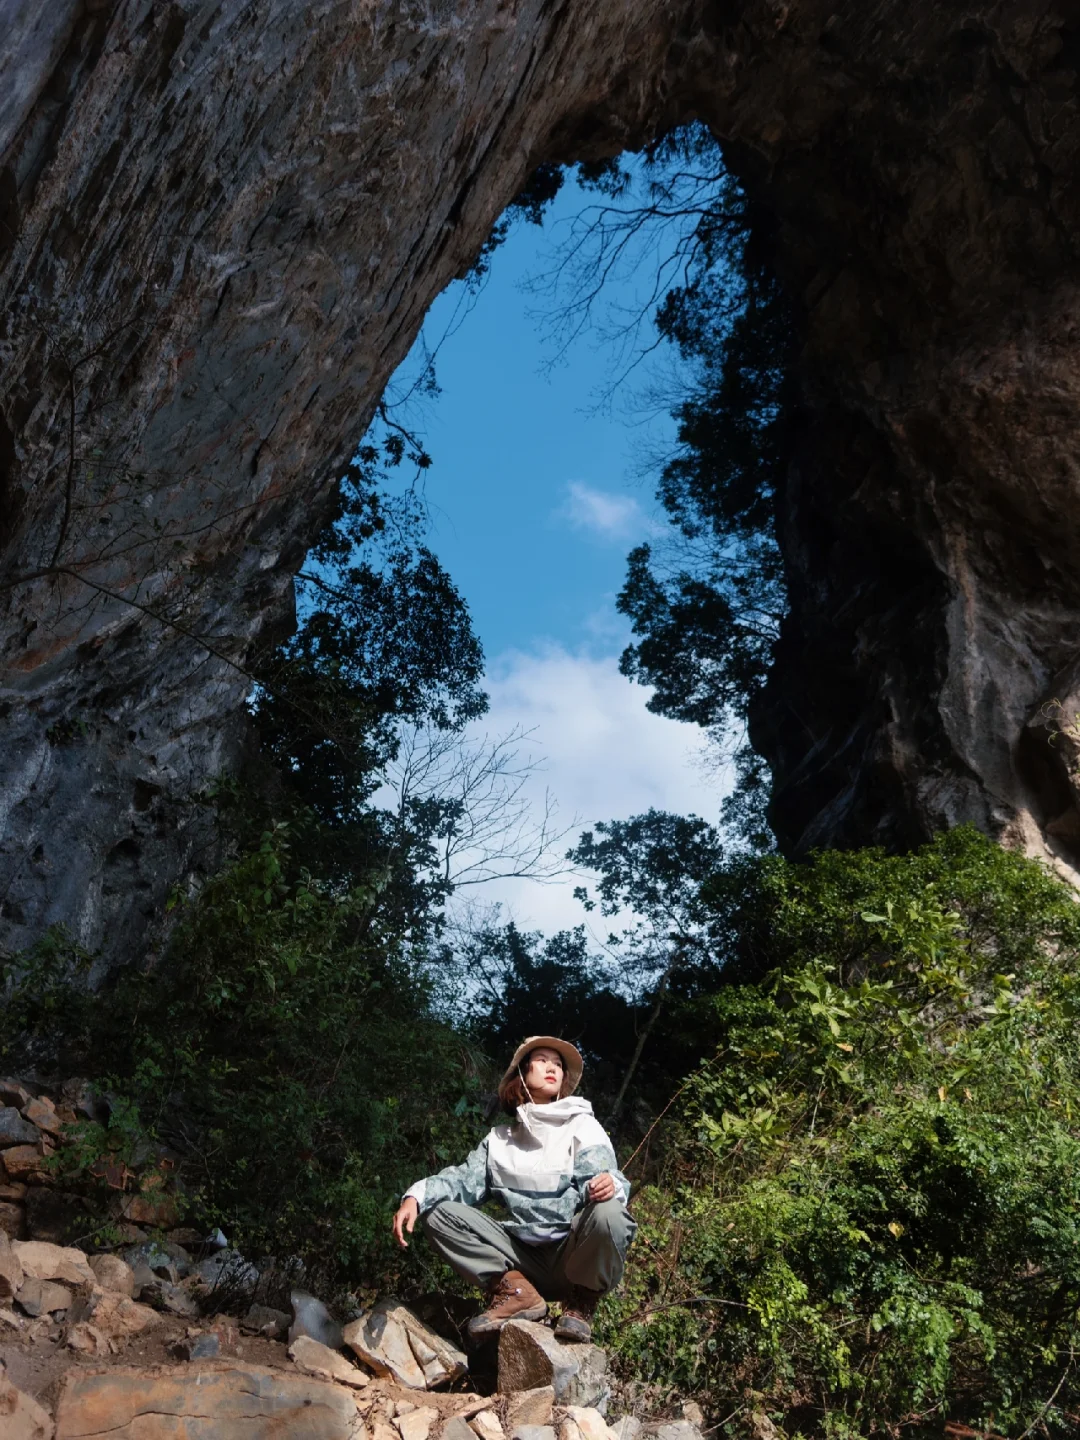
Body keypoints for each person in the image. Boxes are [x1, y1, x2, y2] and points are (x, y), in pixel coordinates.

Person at [392, 1035, 635, 1343]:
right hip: (521, 1258)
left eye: (558, 1064)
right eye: (543, 1060)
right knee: (437, 1213)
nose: (553, 1067)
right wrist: (415, 1196)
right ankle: (517, 1293)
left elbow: (605, 1177)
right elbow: (463, 1180)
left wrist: (608, 1184)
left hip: (570, 1259)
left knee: (610, 1211)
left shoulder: (582, 1126)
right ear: (521, 1072)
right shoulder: (499, 1140)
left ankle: (581, 1304)